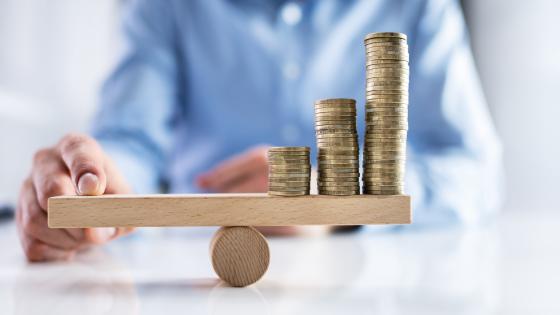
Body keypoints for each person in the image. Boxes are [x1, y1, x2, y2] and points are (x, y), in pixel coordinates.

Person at [16, 0, 502, 261]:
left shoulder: (420, 6)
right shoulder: (164, 6)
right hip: (192, 265)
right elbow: (132, 143)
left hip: (366, 272)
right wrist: (96, 181)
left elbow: (476, 170)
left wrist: (338, 199)